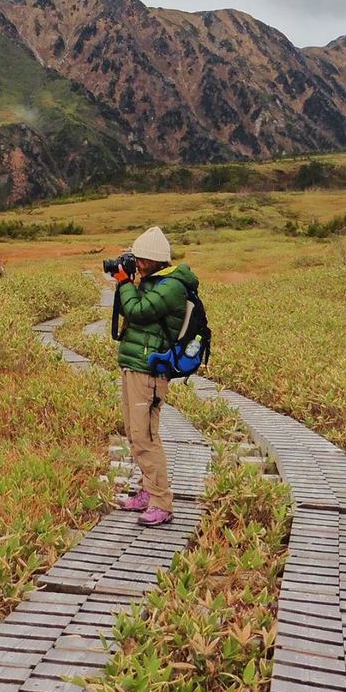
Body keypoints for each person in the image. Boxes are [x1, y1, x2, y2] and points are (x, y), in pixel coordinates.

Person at [109, 225, 199, 528]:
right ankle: (147, 492)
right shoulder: (155, 281)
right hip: (137, 366)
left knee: (145, 436)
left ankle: (161, 502)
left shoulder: (170, 286)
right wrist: (130, 281)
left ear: (154, 259)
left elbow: (138, 311)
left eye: (140, 259)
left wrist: (124, 283)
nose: (136, 263)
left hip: (149, 370)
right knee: (136, 433)